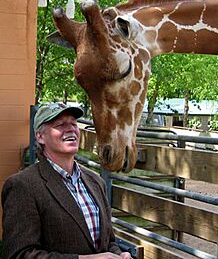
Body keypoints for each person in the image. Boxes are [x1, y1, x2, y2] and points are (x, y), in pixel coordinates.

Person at [2, 103, 132, 259]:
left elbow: (108, 242)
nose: (70, 129)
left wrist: (119, 254)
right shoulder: (22, 185)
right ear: (40, 136)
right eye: (60, 125)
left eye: (73, 124)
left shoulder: (96, 181)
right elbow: (19, 254)